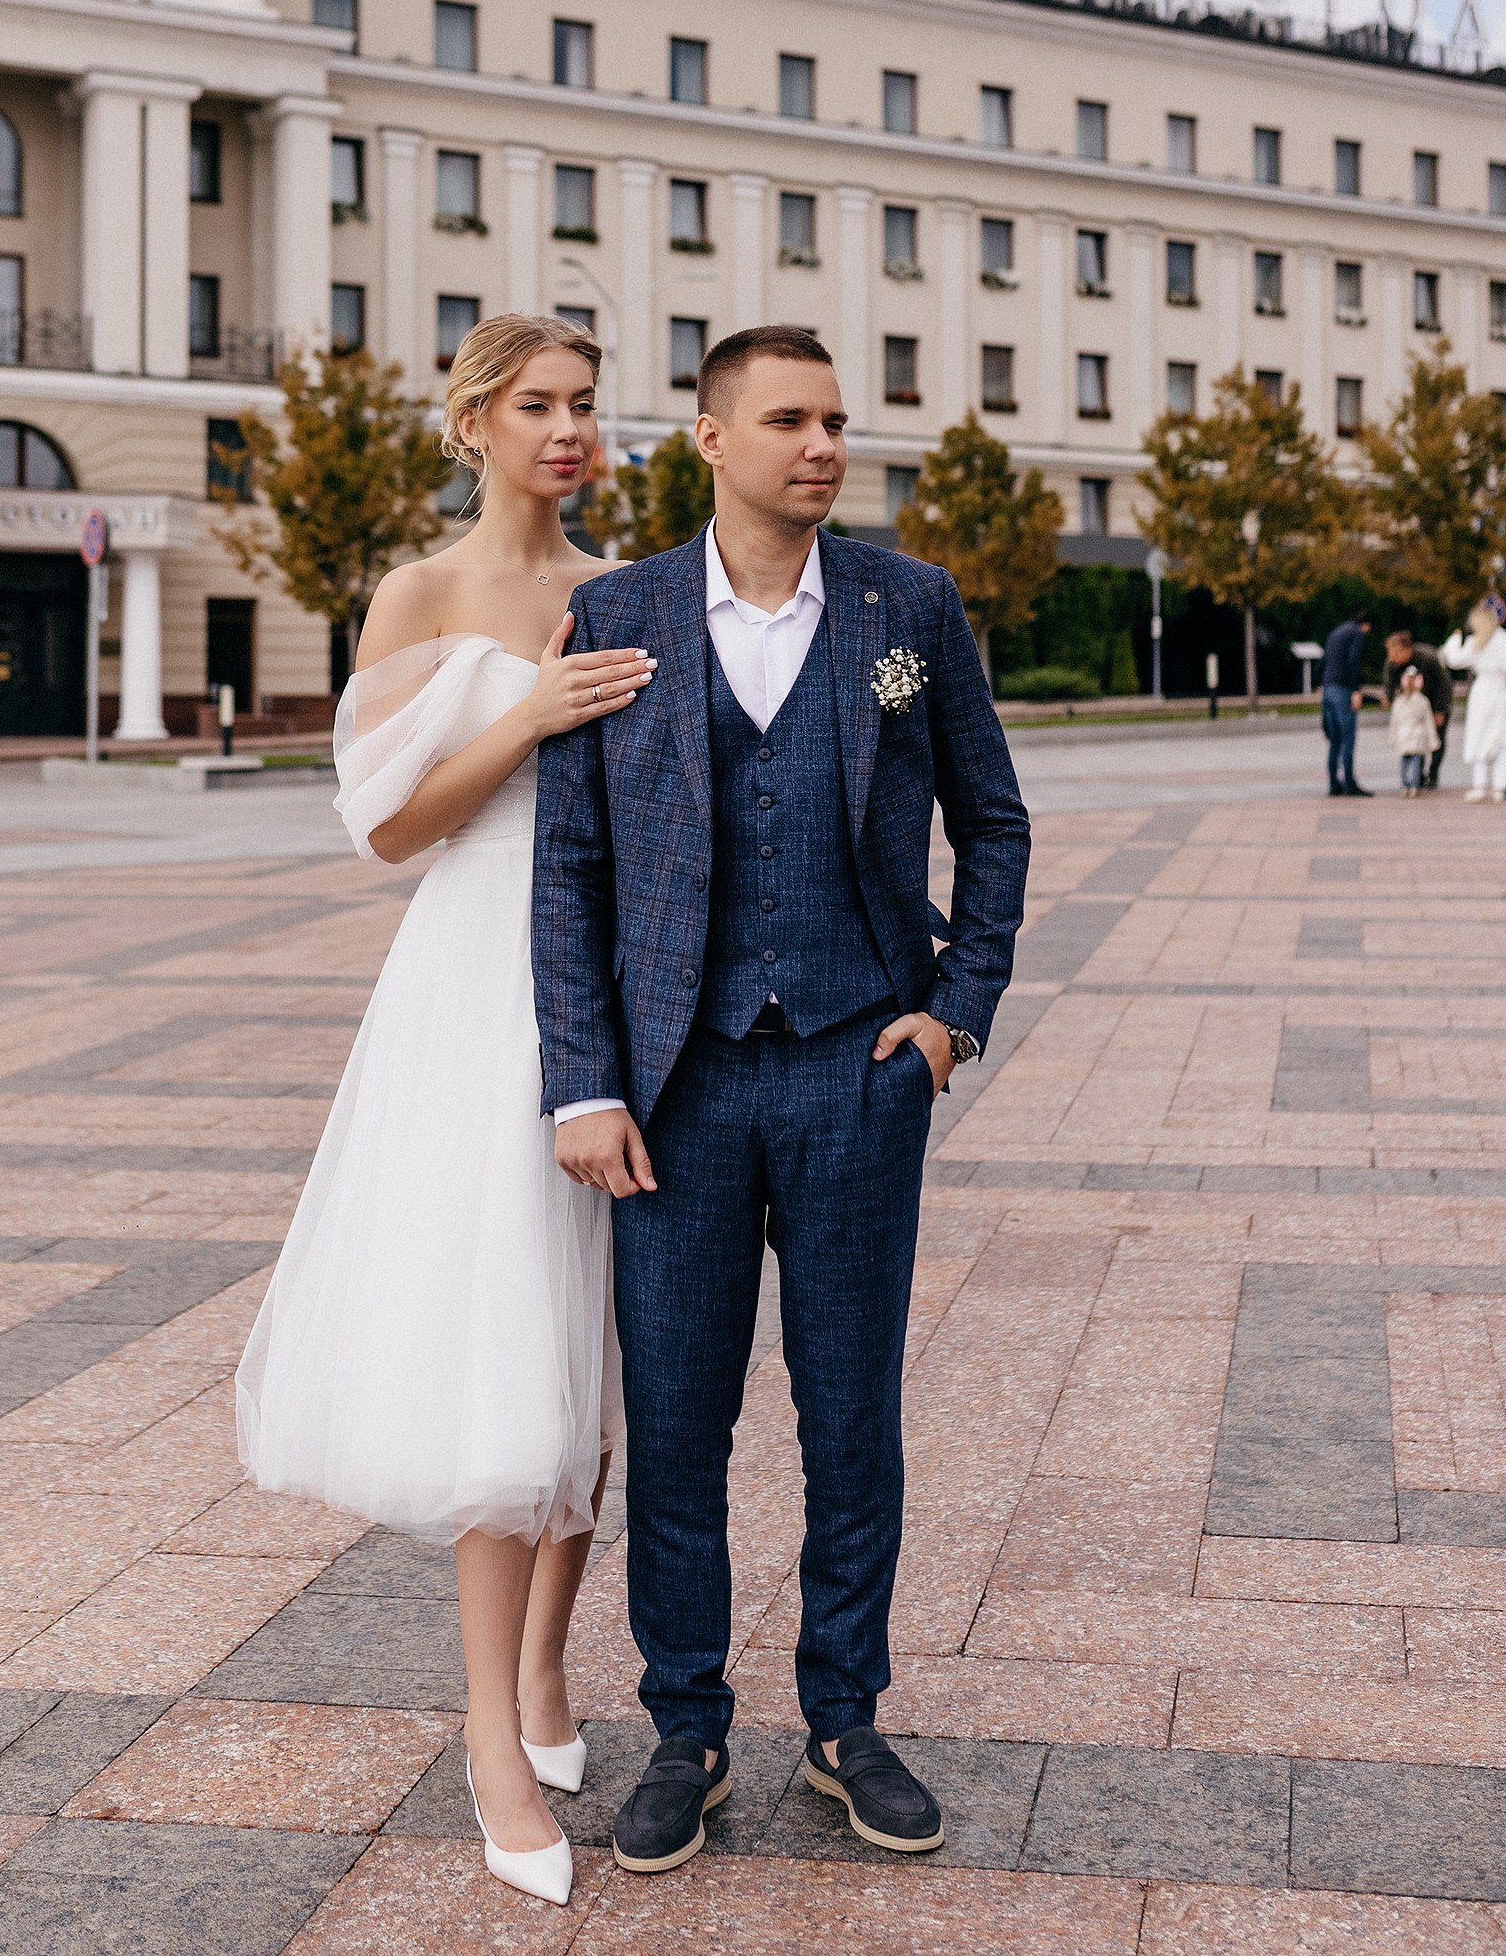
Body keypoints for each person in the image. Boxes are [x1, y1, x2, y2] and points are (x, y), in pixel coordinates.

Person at [532, 325, 1031, 1876]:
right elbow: (571, 873)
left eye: (835, 420)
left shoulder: (909, 608)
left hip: (852, 1069)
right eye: (789, 419)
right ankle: (684, 1730)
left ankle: (844, 1715)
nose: (821, 445)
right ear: (709, 439)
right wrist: (587, 1081)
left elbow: (995, 826)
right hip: (673, 1093)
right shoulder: (614, 615)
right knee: (677, 1424)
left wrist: (953, 1018)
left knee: (850, 1414)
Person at [236, 316, 657, 1908]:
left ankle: (549, 1671)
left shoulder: (627, 591)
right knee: (508, 1351)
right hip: (474, 981)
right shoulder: (421, 594)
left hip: (609, 992)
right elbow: (385, 825)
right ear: (473, 421)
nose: (567, 430)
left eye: (584, 407)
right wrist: (526, 715)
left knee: (596, 1360)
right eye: (537, 406)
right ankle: (490, 1736)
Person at [1441, 592, 1506, 802]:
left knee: (1478, 737)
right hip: (1503, 691)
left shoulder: (1475, 642)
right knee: (1503, 740)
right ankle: (1500, 787)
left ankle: (1479, 786)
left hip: (1483, 691)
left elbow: (1454, 660)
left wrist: (1454, 639)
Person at [1382, 629, 1452, 790]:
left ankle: (1433, 774)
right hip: (1414, 708)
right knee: (1415, 741)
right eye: (1390, 653)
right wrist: (1389, 697)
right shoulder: (1392, 663)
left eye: (1395, 653)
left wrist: (1440, 709)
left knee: (1437, 739)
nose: (1392, 658)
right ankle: (1417, 776)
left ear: (1406, 650)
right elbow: (1389, 683)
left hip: (1435, 702)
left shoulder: (1427, 657)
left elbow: (1444, 684)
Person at [1319, 613, 1374, 796]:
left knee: (1334, 741)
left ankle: (1334, 784)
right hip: (1343, 690)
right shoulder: (1357, 633)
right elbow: (1353, 661)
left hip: (1328, 688)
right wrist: (1356, 690)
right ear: (1366, 625)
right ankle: (1349, 783)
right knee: (1347, 740)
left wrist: (1320, 682)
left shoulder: (1336, 633)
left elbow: (1323, 659)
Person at [1390, 666, 1438, 795]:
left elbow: (1395, 721)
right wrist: (1433, 739)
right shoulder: (1422, 701)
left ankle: (1404, 785)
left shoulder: (1399, 701)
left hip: (1403, 735)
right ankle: (1415, 786)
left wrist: (1393, 737)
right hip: (1418, 735)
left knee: (1404, 762)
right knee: (1417, 763)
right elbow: (1428, 721)